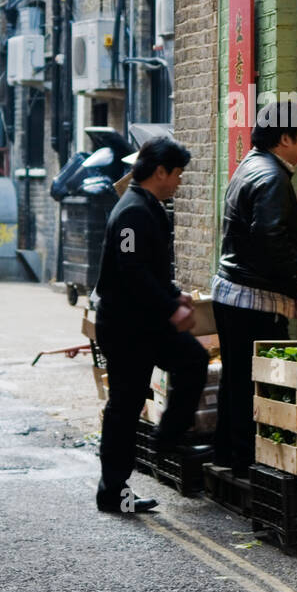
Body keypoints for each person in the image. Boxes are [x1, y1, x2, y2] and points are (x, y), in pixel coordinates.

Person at [93, 136, 209, 515]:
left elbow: (150, 271)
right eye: (176, 174)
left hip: (144, 322)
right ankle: (113, 491)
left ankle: (167, 439)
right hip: (127, 328)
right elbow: (132, 273)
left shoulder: (149, 206)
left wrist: (175, 296)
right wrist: (170, 307)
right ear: (160, 171)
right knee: (124, 406)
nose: (179, 182)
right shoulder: (132, 212)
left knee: (192, 360)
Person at [211, 102, 297, 477]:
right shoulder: (272, 178)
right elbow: (268, 236)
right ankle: (248, 465)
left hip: (232, 293)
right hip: (255, 299)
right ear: (284, 139)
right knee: (255, 383)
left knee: (235, 379)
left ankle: (228, 456)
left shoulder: (250, 166)